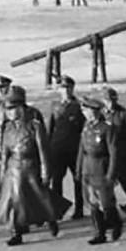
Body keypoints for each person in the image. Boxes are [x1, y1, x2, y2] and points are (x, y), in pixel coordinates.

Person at [0, 86, 66, 246]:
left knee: (39, 197)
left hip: (30, 167)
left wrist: (46, 173)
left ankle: (51, 219)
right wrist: (2, 175)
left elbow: (43, 151)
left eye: (13, 108)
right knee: (14, 201)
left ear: (21, 108)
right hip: (13, 169)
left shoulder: (34, 126)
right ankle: (16, 232)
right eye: (8, 109)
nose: (10, 112)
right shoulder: (8, 128)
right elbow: (5, 154)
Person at [76, 97, 122, 245]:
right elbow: (81, 150)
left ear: (93, 111)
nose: (84, 113)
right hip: (88, 167)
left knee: (106, 202)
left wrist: (111, 174)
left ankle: (115, 223)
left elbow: (114, 152)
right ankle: (99, 233)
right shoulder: (86, 126)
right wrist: (79, 168)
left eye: (86, 110)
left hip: (101, 167)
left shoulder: (107, 128)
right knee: (92, 203)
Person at [46, 75, 85, 219]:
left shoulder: (79, 106)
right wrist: (48, 147)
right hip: (58, 149)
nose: (66, 90)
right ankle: (58, 210)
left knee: (78, 179)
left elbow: (83, 129)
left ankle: (79, 209)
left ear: (73, 88)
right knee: (56, 180)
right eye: (63, 88)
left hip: (74, 149)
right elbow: (51, 128)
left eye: (68, 87)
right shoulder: (55, 106)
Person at [100, 86, 126, 221]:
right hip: (107, 154)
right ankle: (111, 212)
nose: (111, 103)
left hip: (122, 153)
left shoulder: (123, 113)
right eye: (108, 100)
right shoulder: (102, 114)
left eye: (113, 100)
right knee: (108, 183)